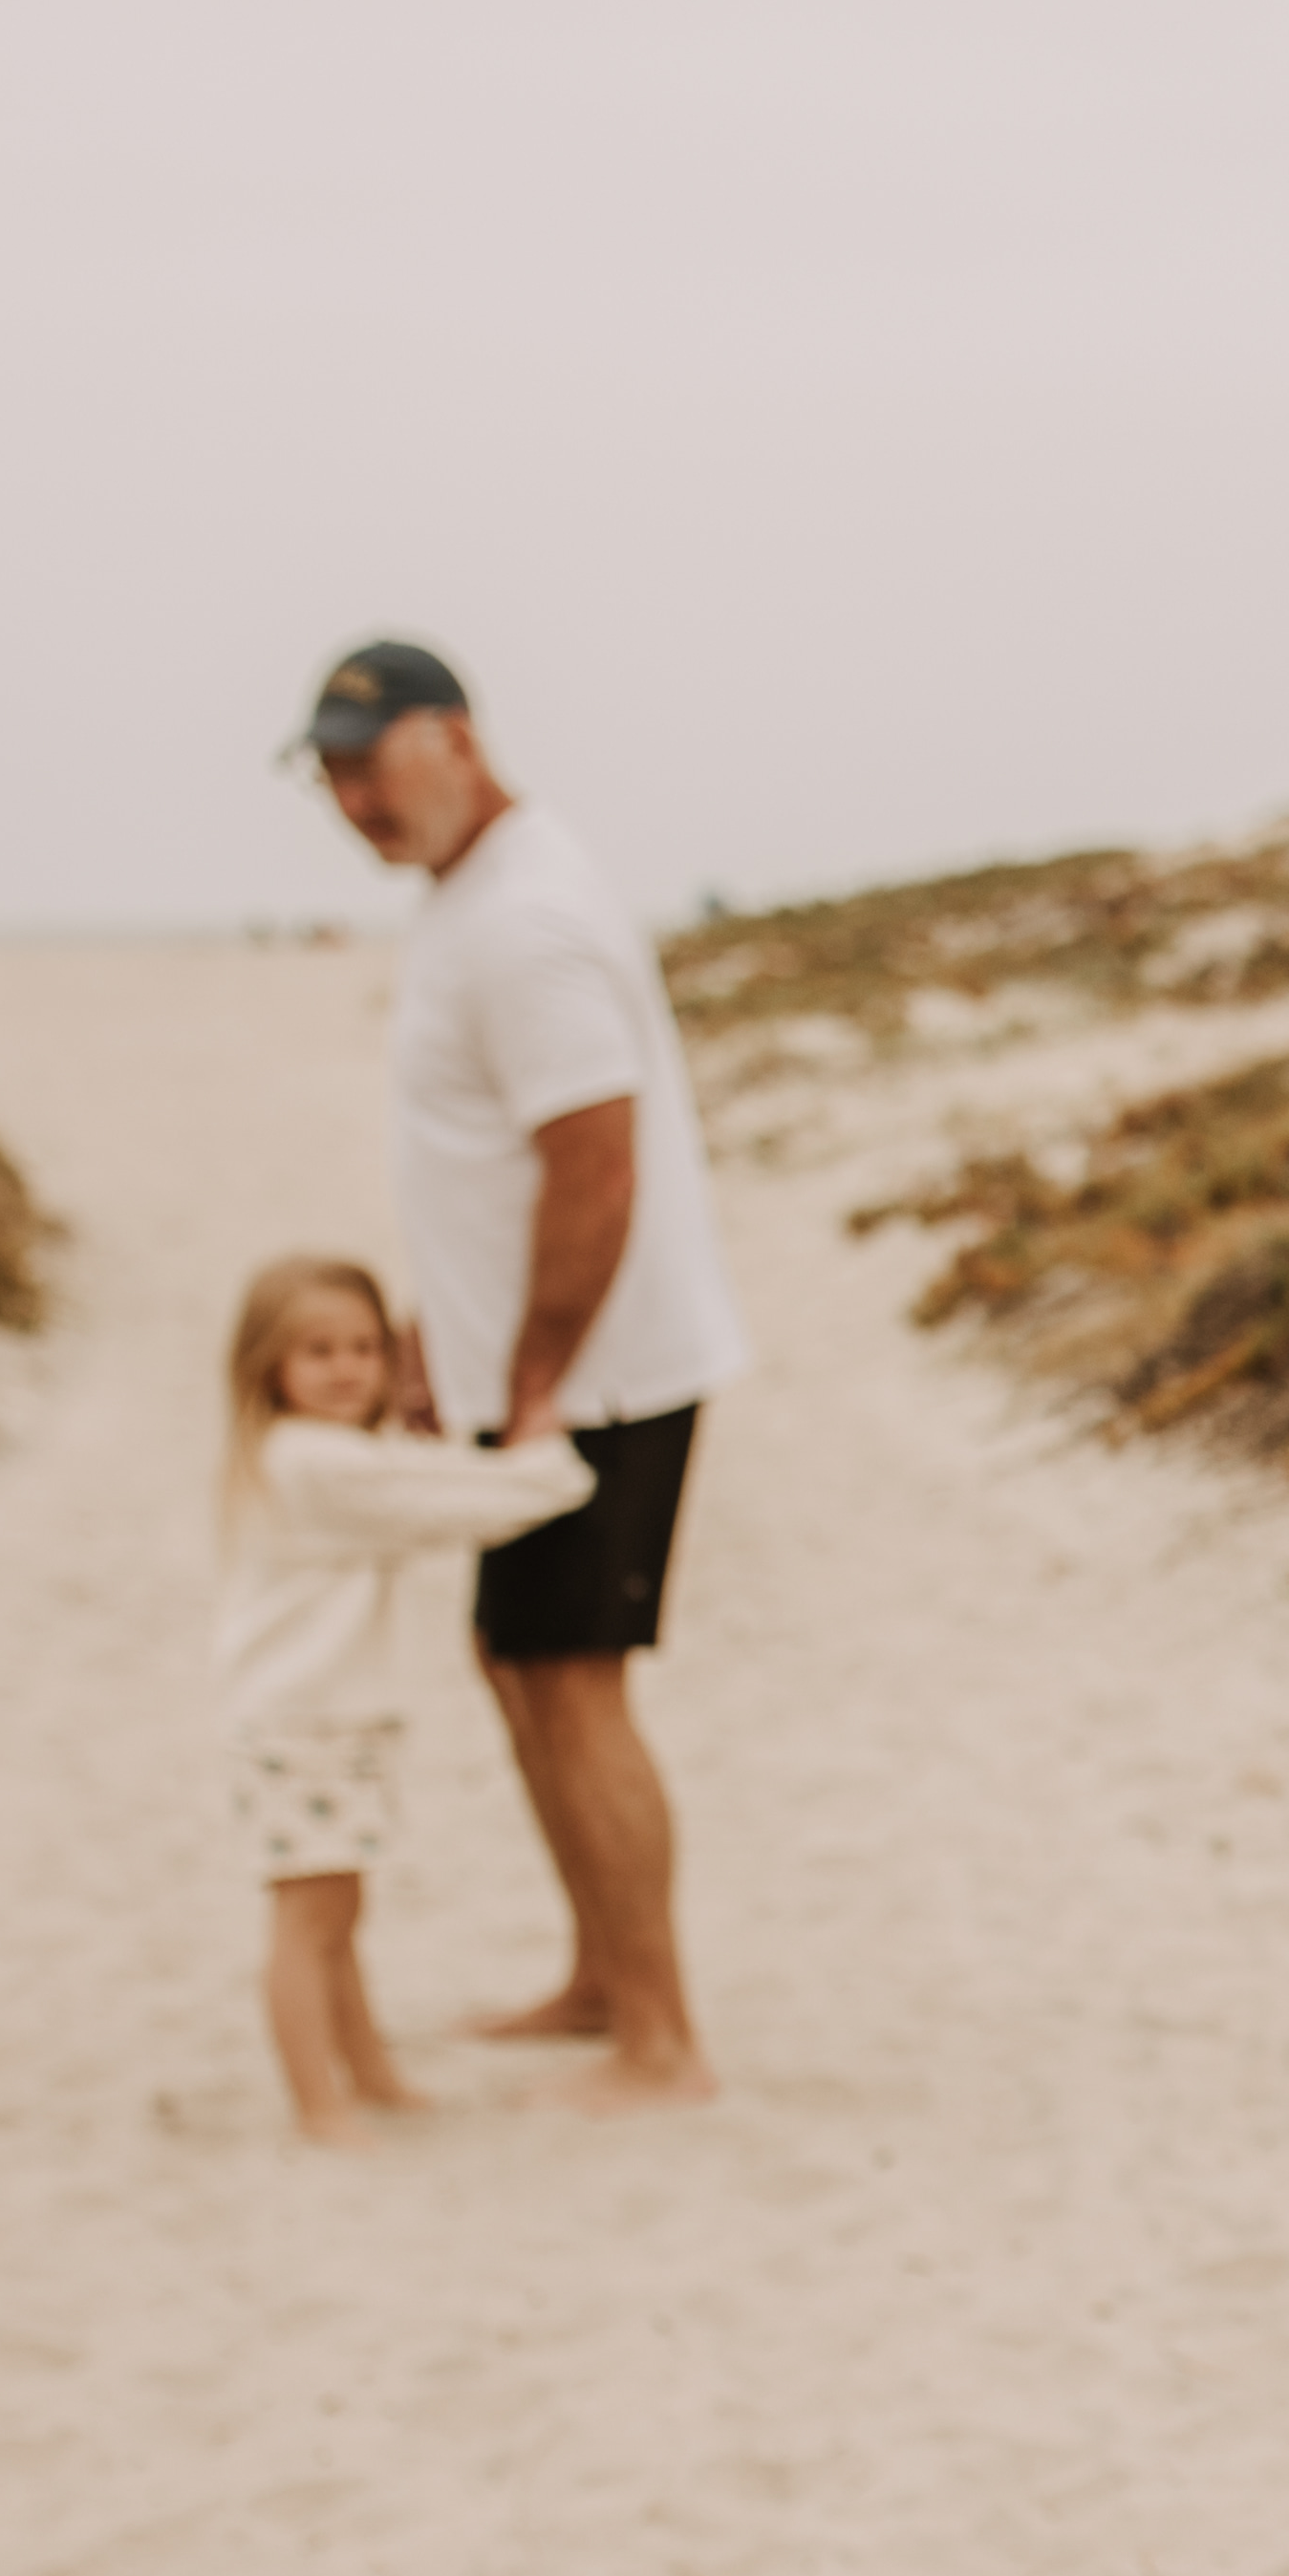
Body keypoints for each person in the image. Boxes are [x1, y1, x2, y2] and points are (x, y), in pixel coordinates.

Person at [296, 638, 747, 2112]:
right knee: (519, 1663)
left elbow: (593, 1165)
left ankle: (661, 2035)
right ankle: (602, 1978)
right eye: (331, 770)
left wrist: (539, 1371)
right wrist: (448, 1337)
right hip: (536, 1371)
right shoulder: (475, 895)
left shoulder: (528, 922)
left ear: (456, 738)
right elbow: (491, 1164)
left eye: (373, 759)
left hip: (597, 1381)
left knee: (572, 1682)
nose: (353, 794)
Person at [211, 1256, 593, 2144]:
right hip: (298, 1720)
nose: (347, 1368)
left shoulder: (334, 1456)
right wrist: (552, 1462)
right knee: (308, 1920)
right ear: (270, 1364)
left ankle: (369, 2074)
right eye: (318, 1350)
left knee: (341, 1909)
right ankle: (319, 2103)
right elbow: (454, 1504)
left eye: (364, 1348)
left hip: (329, 1717)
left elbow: (419, 1480)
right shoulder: (311, 1463)